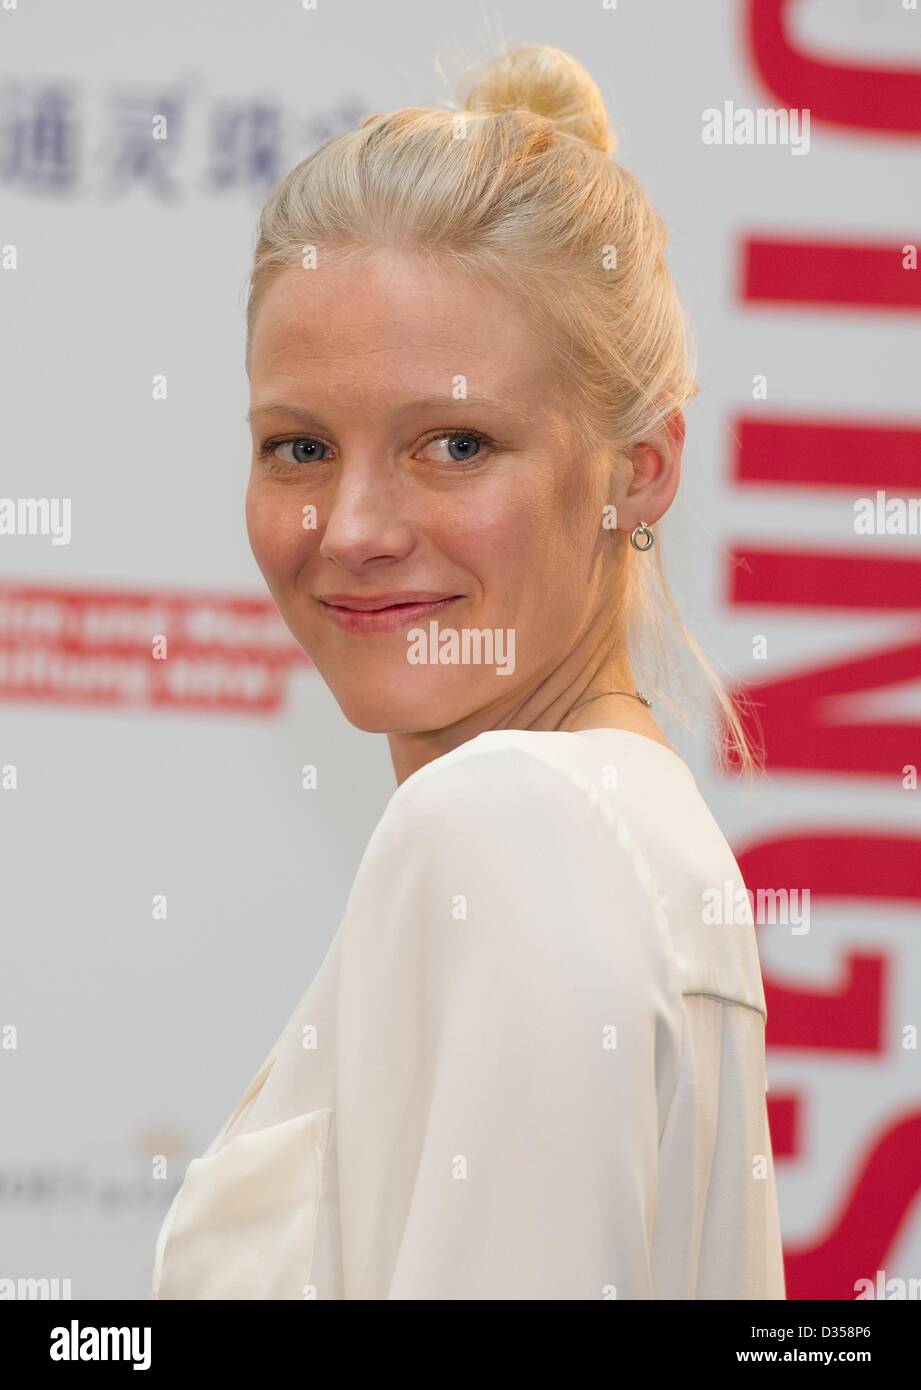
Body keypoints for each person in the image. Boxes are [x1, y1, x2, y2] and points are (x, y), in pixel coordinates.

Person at [151, 42, 785, 1300]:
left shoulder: (509, 826)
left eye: (454, 442)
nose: (353, 528)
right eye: (299, 447)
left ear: (640, 470)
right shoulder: (633, 832)